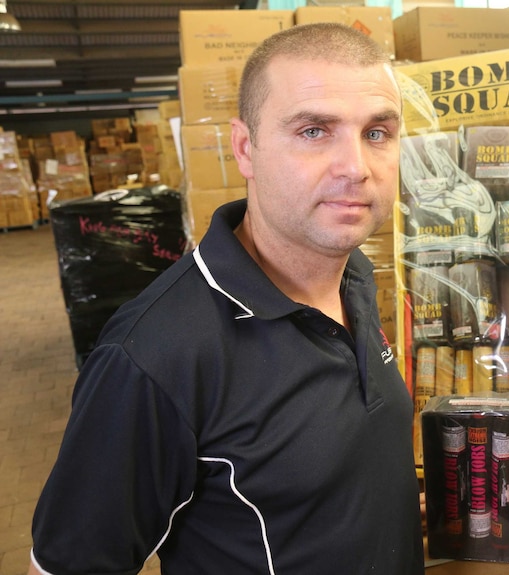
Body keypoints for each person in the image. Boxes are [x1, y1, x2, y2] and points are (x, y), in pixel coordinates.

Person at [29, 23, 424, 574]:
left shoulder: (353, 276)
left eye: (377, 133)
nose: (356, 167)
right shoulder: (154, 356)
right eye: (313, 131)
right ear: (246, 148)